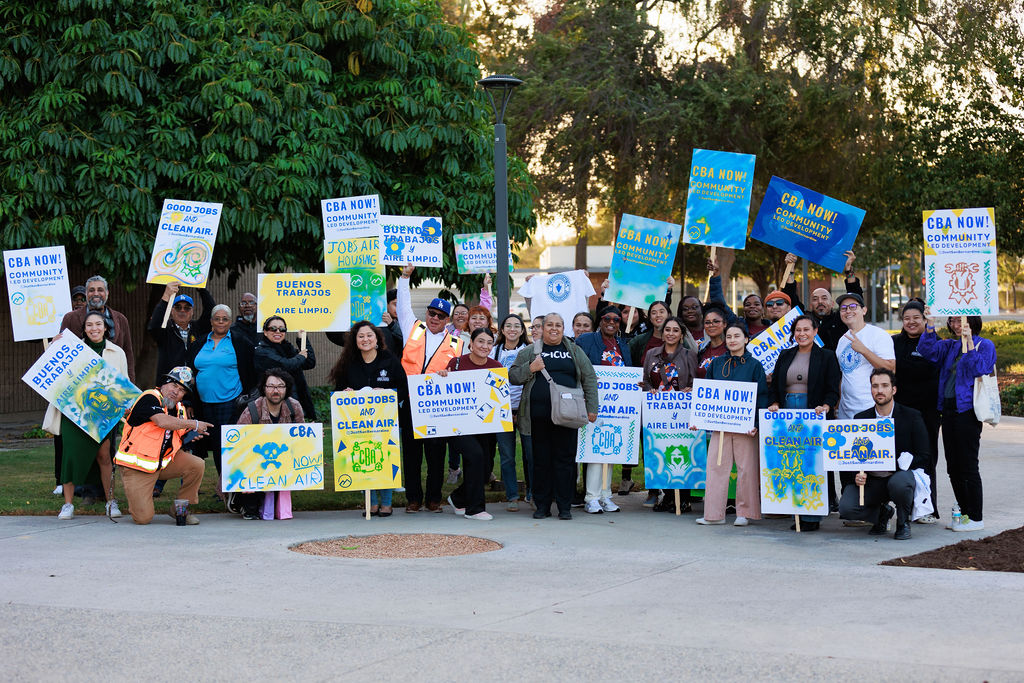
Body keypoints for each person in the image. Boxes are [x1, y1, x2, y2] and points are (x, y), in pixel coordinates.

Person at [510, 313, 598, 520]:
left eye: (558, 325)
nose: (554, 328)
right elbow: (513, 376)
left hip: (568, 416)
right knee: (540, 462)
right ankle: (542, 506)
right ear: (542, 327)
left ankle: (565, 506)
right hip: (537, 418)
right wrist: (530, 368)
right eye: (549, 324)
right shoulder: (530, 352)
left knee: (565, 461)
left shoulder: (574, 351)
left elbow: (589, 378)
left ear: (563, 328)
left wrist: (592, 407)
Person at [917, 313, 997, 532]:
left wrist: (970, 342)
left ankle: (976, 516)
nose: (956, 324)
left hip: (968, 412)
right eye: (952, 321)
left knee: (968, 464)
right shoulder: (950, 346)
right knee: (953, 467)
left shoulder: (985, 345)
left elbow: (979, 369)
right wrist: (930, 324)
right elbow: (927, 351)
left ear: (972, 322)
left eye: (961, 320)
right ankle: (963, 513)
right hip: (949, 410)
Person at [397, 264, 464, 512]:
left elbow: (461, 373)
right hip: (411, 402)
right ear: (426, 313)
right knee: (412, 455)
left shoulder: (457, 343)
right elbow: (403, 306)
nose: (434, 318)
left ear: (448, 320)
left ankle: (433, 499)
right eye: (431, 313)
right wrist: (405, 277)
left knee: (436, 456)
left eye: (440, 316)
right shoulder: (412, 329)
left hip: (437, 407)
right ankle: (413, 499)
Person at [48, 313, 129, 520]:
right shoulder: (72, 349)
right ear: (84, 329)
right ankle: (68, 505)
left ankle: (110, 502)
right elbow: (51, 369)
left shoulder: (116, 352)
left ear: (105, 327)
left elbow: (123, 383)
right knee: (70, 458)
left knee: (104, 456)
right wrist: (54, 346)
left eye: (98, 324)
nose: (94, 328)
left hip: (102, 413)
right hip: (74, 412)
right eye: (90, 325)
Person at [767, 315, 842, 531]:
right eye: (798, 330)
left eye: (806, 329)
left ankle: (811, 516)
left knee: (812, 462)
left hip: (814, 414)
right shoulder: (785, 355)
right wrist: (774, 402)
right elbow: (775, 386)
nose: (802, 334)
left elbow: (832, 388)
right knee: (790, 460)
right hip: (787, 412)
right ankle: (795, 509)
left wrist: (827, 407)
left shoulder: (827, 356)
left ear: (815, 331)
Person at [838, 368, 931, 540]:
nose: (879, 390)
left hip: (899, 477)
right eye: (875, 386)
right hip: (872, 481)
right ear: (871, 389)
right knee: (846, 508)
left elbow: (924, 456)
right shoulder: (860, 419)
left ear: (893, 390)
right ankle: (882, 514)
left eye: (884, 386)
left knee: (901, 483)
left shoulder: (912, 416)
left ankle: (903, 522)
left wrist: (896, 464)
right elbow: (850, 459)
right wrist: (856, 475)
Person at [328, 321, 408, 517]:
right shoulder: (349, 363)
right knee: (363, 459)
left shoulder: (389, 360)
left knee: (386, 458)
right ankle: (371, 503)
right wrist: (345, 392)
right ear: (355, 341)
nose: (365, 339)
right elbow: (338, 390)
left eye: (369, 335)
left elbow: (404, 389)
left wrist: (388, 392)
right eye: (361, 336)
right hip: (359, 424)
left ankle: (387, 503)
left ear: (377, 339)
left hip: (385, 422)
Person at [114, 367, 211, 525]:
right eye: (174, 385)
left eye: (181, 390)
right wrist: (194, 424)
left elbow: (177, 435)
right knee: (143, 518)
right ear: (164, 384)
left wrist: (191, 435)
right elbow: (162, 422)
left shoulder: (180, 410)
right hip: (137, 466)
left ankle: (180, 511)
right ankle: (139, 498)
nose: (176, 392)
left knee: (196, 464)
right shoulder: (150, 397)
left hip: (162, 463)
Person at [697, 322, 770, 526]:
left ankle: (744, 513)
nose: (732, 340)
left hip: (745, 427)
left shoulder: (754, 365)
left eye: (737, 336)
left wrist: (756, 422)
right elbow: (707, 393)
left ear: (746, 339)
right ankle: (713, 514)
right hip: (720, 426)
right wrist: (700, 419)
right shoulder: (717, 364)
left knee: (746, 469)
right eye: (729, 336)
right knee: (715, 467)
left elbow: (761, 396)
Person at [188, 304, 256, 492]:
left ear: (229, 321)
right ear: (211, 321)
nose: (220, 322)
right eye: (216, 318)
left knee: (225, 445)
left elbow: (251, 370)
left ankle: (229, 486)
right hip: (203, 404)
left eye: (224, 319)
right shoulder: (200, 343)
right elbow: (190, 371)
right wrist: (189, 401)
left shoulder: (240, 343)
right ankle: (222, 485)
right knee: (207, 445)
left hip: (230, 401)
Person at [442, 328, 505, 520]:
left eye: (489, 342)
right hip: (458, 426)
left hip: (485, 425)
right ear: (471, 343)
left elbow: (499, 396)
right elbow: (444, 392)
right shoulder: (457, 363)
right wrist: (442, 376)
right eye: (480, 341)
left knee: (485, 466)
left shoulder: (496, 366)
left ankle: (459, 498)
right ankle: (474, 509)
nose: (484, 346)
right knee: (475, 456)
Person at [575, 305, 633, 513]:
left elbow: (628, 371)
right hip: (593, 403)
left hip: (617, 405)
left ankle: (606, 495)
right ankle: (591, 497)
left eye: (616, 320)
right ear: (600, 320)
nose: (611, 322)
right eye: (607, 318)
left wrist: (635, 384)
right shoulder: (586, 340)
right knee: (594, 450)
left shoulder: (622, 344)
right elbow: (576, 366)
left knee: (610, 450)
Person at [641, 316, 698, 508]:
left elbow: (694, 381)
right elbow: (646, 380)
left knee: (683, 451)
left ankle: (683, 498)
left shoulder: (689, 354)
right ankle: (667, 495)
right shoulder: (651, 354)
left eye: (675, 330)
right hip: (658, 413)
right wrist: (650, 389)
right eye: (668, 330)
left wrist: (690, 389)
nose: (671, 333)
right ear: (662, 333)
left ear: (681, 334)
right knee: (662, 450)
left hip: (682, 412)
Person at [892, 300, 941, 523]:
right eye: (906, 318)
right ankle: (902, 506)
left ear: (924, 320)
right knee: (899, 459)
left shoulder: (935, 343)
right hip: (900, 412)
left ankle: (928, 509)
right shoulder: (893, 342)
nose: (911, 322)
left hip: (927, 413)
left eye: (916, 318)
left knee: (926, 459)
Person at [236, 368, 306, 520]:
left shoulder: (294, 407)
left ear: (287, 389)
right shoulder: (252, 410)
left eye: (280, 386)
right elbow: (237, 446)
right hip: (255, 462)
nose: (276, 391)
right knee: (251, 510)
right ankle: (240, 500)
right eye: (271, 386)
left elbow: (302, 439)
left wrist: (311, 437)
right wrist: (244, 478)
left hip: (284, 461)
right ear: (264, 388)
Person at [59, 275, 135, 382]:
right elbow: (61, 353)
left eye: (100, 290)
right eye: (91, 290)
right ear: (86, 293)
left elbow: (128, 355)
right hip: (81, 384)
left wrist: (130, 387)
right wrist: (54, 344)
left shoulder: (121, 319)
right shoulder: (70, 318)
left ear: (107, 293)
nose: (95, 293)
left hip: (113, 386)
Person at [492, 314, 532, 511]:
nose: (513, 329)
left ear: (523, 331)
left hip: (525, 410)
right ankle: (512, 496)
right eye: (508, 325)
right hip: (502, 411)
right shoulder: (493, 351)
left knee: (529, 453)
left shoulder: (530, 351)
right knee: (507, 455)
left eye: (517, 326)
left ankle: (532, 493)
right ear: (502, 330)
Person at [835, 293, 896, 419]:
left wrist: (864, 351)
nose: (848, 311)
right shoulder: (842, 340)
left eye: (853, 306)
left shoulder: (878, 335)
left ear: (864, 310)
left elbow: (890, 368)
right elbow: (844, 376)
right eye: (843, 308)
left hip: (872, 410)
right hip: (845, 413)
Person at [148, 282, 215, 382]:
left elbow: (211, 311)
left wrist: (202, 289)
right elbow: (154, 325)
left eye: (187, 308)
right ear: (172, 311)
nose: (182, 311)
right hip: (169, 386)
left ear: (192, 312)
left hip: (194, 386)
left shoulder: (199, 329)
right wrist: (166, 295)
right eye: (178, 307)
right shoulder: (165, 330)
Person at [254, 315, 317, 420]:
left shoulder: (288, 348)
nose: (278, 331)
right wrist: (300, 356)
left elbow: (309, 363)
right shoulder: (261, 351)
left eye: (282, 329)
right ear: (265, 332)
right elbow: (286, 365)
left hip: (296, 401)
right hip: (273, 403)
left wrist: (303, 340)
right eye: (273, 328)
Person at [696, 305, 729, 378]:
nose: (711, 325)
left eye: (716, 321)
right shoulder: (701, 351)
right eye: (707, 322)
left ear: (725, 324)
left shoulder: (732, 349)